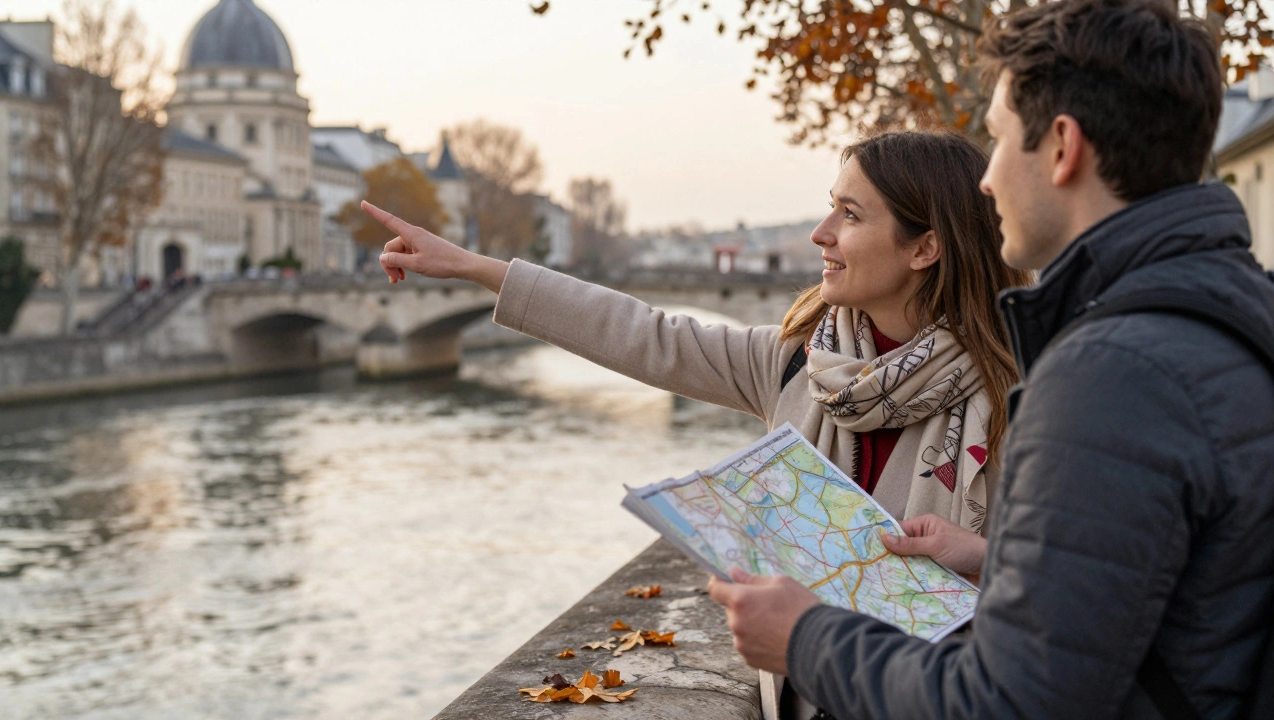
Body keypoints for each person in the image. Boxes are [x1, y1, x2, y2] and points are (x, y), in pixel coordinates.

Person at [707, 1, 1274, 718]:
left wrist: (806, 638)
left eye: (1002, 140)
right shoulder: (1234, 313)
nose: (985, 179)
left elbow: (1008, 703)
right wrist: (999, 558)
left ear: (1062, 147)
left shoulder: (1110, 374)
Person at [366, 130, 1029, 715]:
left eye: (849, 215)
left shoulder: (1018, 397)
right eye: (829, 206)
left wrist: (986, 558)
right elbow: (644, 335)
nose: (820, 232)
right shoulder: (799, 361)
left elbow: (1074, 593)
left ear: (925, 248)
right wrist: (475, 268)